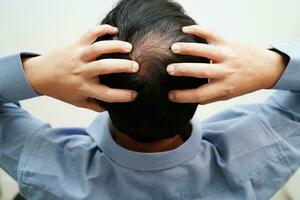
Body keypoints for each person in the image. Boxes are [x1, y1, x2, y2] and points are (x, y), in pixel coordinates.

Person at [0, 0, 299, 199]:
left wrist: (35, 72)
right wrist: (274, 66)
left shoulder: (48, 170)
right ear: (208, 79)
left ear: (94, 85)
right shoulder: (258, 156)